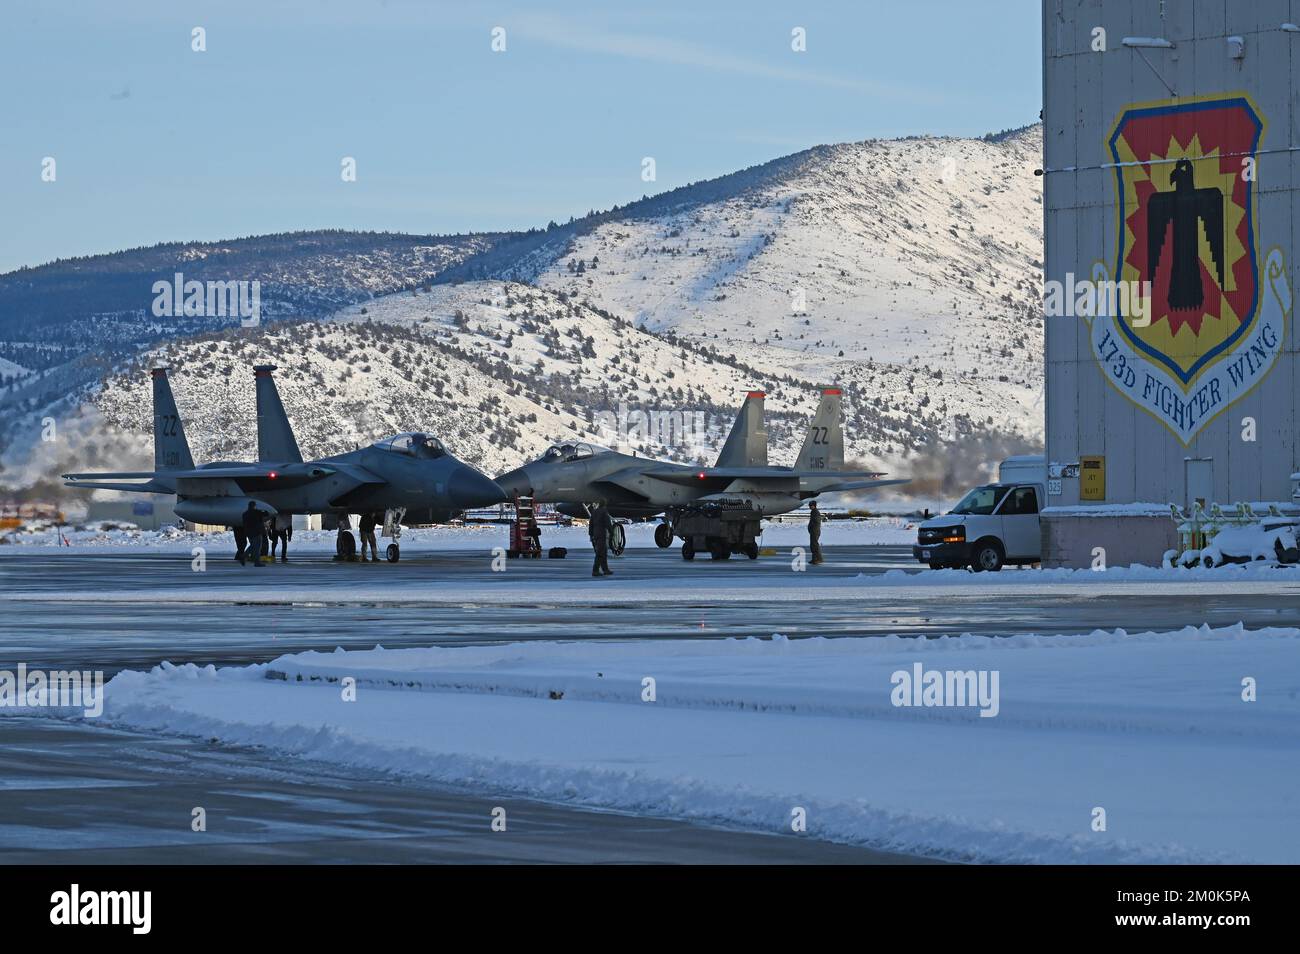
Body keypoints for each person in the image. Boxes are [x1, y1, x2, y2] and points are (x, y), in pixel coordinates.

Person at [588, 502, 612, 577]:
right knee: (600, 553)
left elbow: (590, 524)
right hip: (601, 534)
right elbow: (608, 523)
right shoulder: (604, 512)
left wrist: (591, 535)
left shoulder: (594, 512)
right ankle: (595, 570)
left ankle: (605, 570)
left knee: (603, 552)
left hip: (596, 534)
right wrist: (612, 532)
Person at [241, 501, 266, 569]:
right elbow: (266, 513)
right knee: (257, 547)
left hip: (249, 533)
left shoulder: (245, 514)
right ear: (254, 506)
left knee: (253, 546)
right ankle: (255, 561)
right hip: (257, 532)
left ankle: (245, 557)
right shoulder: (257, 512)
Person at [808, 500, 824, 565]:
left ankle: (819, 559)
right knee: (813, 545)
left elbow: (816, 522)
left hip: (815, 531)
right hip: (813, 531)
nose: (809, 507)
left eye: (810, 505)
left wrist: (812, 528)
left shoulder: (815, 512)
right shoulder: (813, 512)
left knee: (815, 545)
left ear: (814, 505)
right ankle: (814, 559)